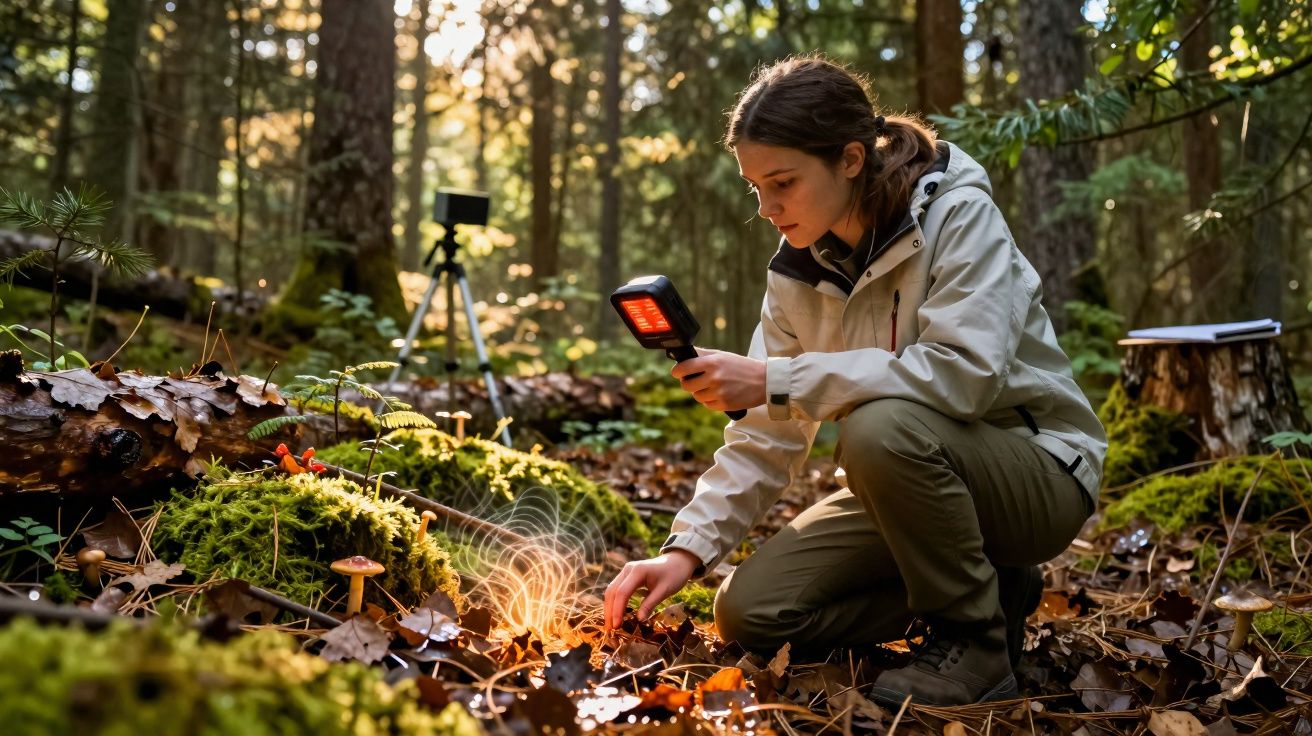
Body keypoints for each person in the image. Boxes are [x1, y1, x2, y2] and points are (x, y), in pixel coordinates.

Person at [602, 55, 1106, 707]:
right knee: (752, 614)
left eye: (782, 182)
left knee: (876, 426)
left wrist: (776, 378)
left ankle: (975, 644)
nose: (766, 207)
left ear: (849, 159)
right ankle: (993, 587)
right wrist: (687, 552)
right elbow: (766, 435)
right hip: (909, 487)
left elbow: (964, 377)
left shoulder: (957, 216)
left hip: (1038, 472)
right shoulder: (795, 271)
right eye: (755, 186)